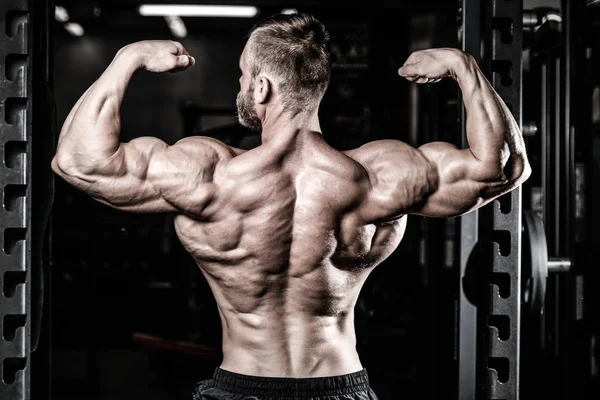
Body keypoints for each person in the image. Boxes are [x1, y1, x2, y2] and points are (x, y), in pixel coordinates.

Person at [51, 12, 530, 400]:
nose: (242, 86)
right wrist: (462, 67)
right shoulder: (375, 179)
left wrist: (127, 58)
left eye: (243, 76)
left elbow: (79, 162)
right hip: (340, 385)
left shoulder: (210, 176)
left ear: (261, 88)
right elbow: (504, 169)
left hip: (242, 384)